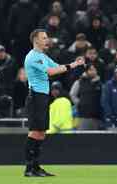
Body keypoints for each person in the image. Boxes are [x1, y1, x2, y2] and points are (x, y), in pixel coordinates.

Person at [23, 29, 85, 177]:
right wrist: (71, 65)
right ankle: (29, 168)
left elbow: (57, 67)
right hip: (36, 97)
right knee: (35, 132)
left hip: (43, 97)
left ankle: (36, 167)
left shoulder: (43, 56)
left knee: (42, 133)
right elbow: (51, 71)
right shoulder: (32, 57)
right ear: (35, 40)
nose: (47, 40)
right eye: (44, 38)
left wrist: (74, 64)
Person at [70, 64, 102, 130]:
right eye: (90, 70)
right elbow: (72, 94)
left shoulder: (100, 83)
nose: (93, 72)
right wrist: (80, 103)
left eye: (94, 70)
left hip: (97, 117)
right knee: (82, 138)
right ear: (86, 71)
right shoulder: (79, 82)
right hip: (83, 116)